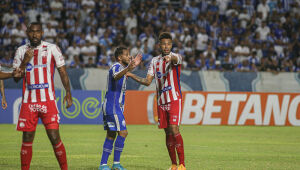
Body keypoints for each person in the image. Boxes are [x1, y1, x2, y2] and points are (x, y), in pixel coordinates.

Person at [12, 22, 73, 170]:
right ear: (27, 33)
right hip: (29, 102)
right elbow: (15, 78)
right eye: (32, 32)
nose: (35, 34)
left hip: (48, 101)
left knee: (54, 137)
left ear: (42, 33)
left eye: (38, 31)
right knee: (27, 138)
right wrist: (25, 62)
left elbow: (62, 72)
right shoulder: (21, 51)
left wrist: (68, 93)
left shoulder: (52, 48)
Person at [127, 32, 186, 170]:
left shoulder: (177, 57)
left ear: (171, 45)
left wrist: (170, 58)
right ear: (159, 45)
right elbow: (147, 81)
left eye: (169, 44)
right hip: (161, 101)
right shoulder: (154, 61)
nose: (166, 46)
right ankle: (173, 164)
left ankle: (182, 164)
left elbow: (175, 58)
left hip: (174, 98)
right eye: (164, 44)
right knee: (167, 132)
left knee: (174, 128)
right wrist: (131, 74)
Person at [99, 46, 142, 170]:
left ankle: (103, 165)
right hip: (113, 106)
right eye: (127, 54)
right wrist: (129, 67)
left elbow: (124, 74)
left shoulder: (122, 69)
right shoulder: (116, 66)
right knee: (123, 132)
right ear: (119, 57)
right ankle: (116, 164)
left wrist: (131, 68)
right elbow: (115, 76)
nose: (129, 56)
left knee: (111, 135)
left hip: (112, 106)